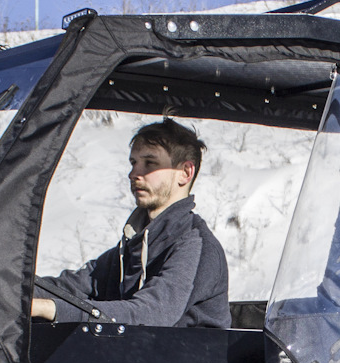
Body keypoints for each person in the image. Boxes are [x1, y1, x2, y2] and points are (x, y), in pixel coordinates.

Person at [31, 118, 230, 328]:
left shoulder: (196, 245)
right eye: (134, 163)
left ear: (185, 173)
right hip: (141, 357)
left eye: (150, 163)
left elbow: (152, 313)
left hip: (188, 359)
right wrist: (15, 288)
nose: (133, 174)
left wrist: (49, 308)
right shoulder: (135, 244)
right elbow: (68, 288)